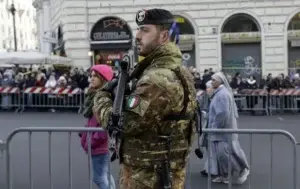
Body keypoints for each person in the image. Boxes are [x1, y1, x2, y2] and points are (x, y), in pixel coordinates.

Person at [93, 8, 197, 189]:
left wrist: (101, 97)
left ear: (164, 36)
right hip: (161, 175)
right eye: (139, 29)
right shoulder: (177, 70)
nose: (138, 35)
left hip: (147, 179)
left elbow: (121, 125)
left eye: (145, 30)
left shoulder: (157, 80)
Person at [207, 72, 250, 184]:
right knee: (220, 154)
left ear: (220, 81)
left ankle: (241, 169)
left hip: (223, 129)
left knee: (224, 153)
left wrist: (216, 126)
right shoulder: (220, 93)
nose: (212, 82)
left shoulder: (222, 94)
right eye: (211, 79)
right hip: (221, 129)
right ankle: (224, 175)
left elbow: (222, 113)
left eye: (214, 80)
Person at [79, 65, 115, 189]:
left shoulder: (103, 98)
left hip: (99, 146)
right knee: (105, 175)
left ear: (103, 79)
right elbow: (93, 121)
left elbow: (105, 125)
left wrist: (92, 140)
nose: (91, 79)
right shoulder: (95, 96)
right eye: (91, 76)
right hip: (98, 144)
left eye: (95, 76)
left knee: (99, 178)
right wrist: (84, 133)